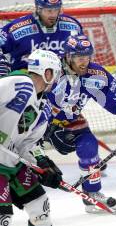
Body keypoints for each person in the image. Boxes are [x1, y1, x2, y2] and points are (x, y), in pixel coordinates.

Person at [43, 34, 116, 213]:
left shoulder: (95, 74)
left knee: (89, 145)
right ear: (68, 56)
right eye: (80, 58)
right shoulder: (52, 70)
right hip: (38, 123)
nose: (84, 62)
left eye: (87, 57)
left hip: (71, 119)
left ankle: (92, 194)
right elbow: (33, 98)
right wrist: (46, 130)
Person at [0, 49, 63, 226]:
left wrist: (41, 166)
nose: (57, 79)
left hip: (11, 162)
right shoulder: (20, 83)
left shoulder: (44, 108)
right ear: (48, 72)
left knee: (40, 209)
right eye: (56, 73)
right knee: (2, 218)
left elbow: (27, 146)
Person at [0, 0, 83, 72]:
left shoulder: (73, 26)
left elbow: (83, 52)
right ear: (38, 9)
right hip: (26, 78)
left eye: (56, 10)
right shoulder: (17, 29)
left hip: (60, 78)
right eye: (49, 10)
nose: (53, 15)